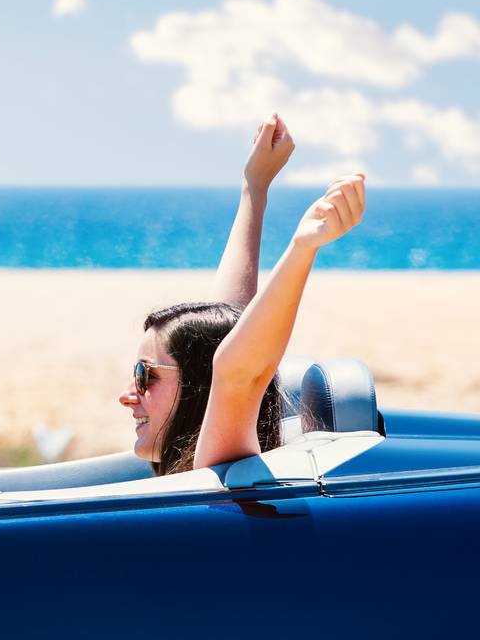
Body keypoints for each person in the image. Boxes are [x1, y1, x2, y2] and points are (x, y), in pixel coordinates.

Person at [122, 120, 366, 474]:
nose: (128, 394)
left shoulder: (215, 470)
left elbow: (238, 372)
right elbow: (233, 322)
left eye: (146, 375)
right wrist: (255, 186)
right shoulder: (197, 470)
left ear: (201, 388)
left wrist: (303, 249)